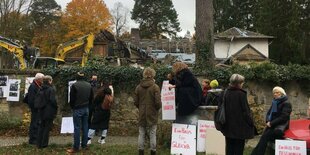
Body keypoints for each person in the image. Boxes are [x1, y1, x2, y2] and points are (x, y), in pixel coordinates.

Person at [220, 74, 256, 155]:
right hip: (240, 126)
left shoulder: (224, 93)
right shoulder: (241, 94)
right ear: (238, 83)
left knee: (229, 147)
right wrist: (251, 122)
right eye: (242, 82)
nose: (243, 84)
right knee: (238, 148)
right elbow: (246, 111)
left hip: (227, 125)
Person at [251, 86, 292, 155]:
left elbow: (284, 117)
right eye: (274, 93)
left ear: (282, 93)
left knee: (264, 137)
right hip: (272, 125)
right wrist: (267, 121)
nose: (275, 94)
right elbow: (269, 113)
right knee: (263, 137)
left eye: (277, 92)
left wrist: (271, 123)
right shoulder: (275, 102)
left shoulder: (286, 103)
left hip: (279, 127)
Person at [134, 67, 161, 155]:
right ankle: (153, 151)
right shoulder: (155, 87)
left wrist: (141, 107)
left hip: (142, 112)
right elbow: (158, 102)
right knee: (152, 133)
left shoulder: (138, 87)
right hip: (152, 112)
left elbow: (136, 102)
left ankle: (141, 151)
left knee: (141, 132)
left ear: (144, 75)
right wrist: (156, 109)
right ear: (153, 75)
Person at [67, 72, 93, 153]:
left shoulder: (75, 85)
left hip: (77, 108)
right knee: (85, 127)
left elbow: (72, 99)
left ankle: (76, 147)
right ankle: (84, 145)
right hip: (86, 108)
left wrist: (73, 107)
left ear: (77, 78)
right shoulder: (89, 85)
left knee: (77, 128)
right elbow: (92, 97)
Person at [37, 75, 58, 148]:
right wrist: (56, 107)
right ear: (49, 81)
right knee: (47, 128)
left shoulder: (40, 88)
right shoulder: (50, 89)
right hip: (48, 111)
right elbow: (52, 100)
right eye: (51, 80)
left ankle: (39, 144)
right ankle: (44, 144)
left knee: (41, 127)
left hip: (41, 110)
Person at [27, 72, 44, 145]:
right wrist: (35, 107)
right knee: (34, 123)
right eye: (42, 79)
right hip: (35, 109)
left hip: (36, 108)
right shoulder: (33, 86)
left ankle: (35, 138)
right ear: (39, 79)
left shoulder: (37, 85)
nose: (43, 81)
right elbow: (31, 99)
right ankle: (33, 140)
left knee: (36, 123)